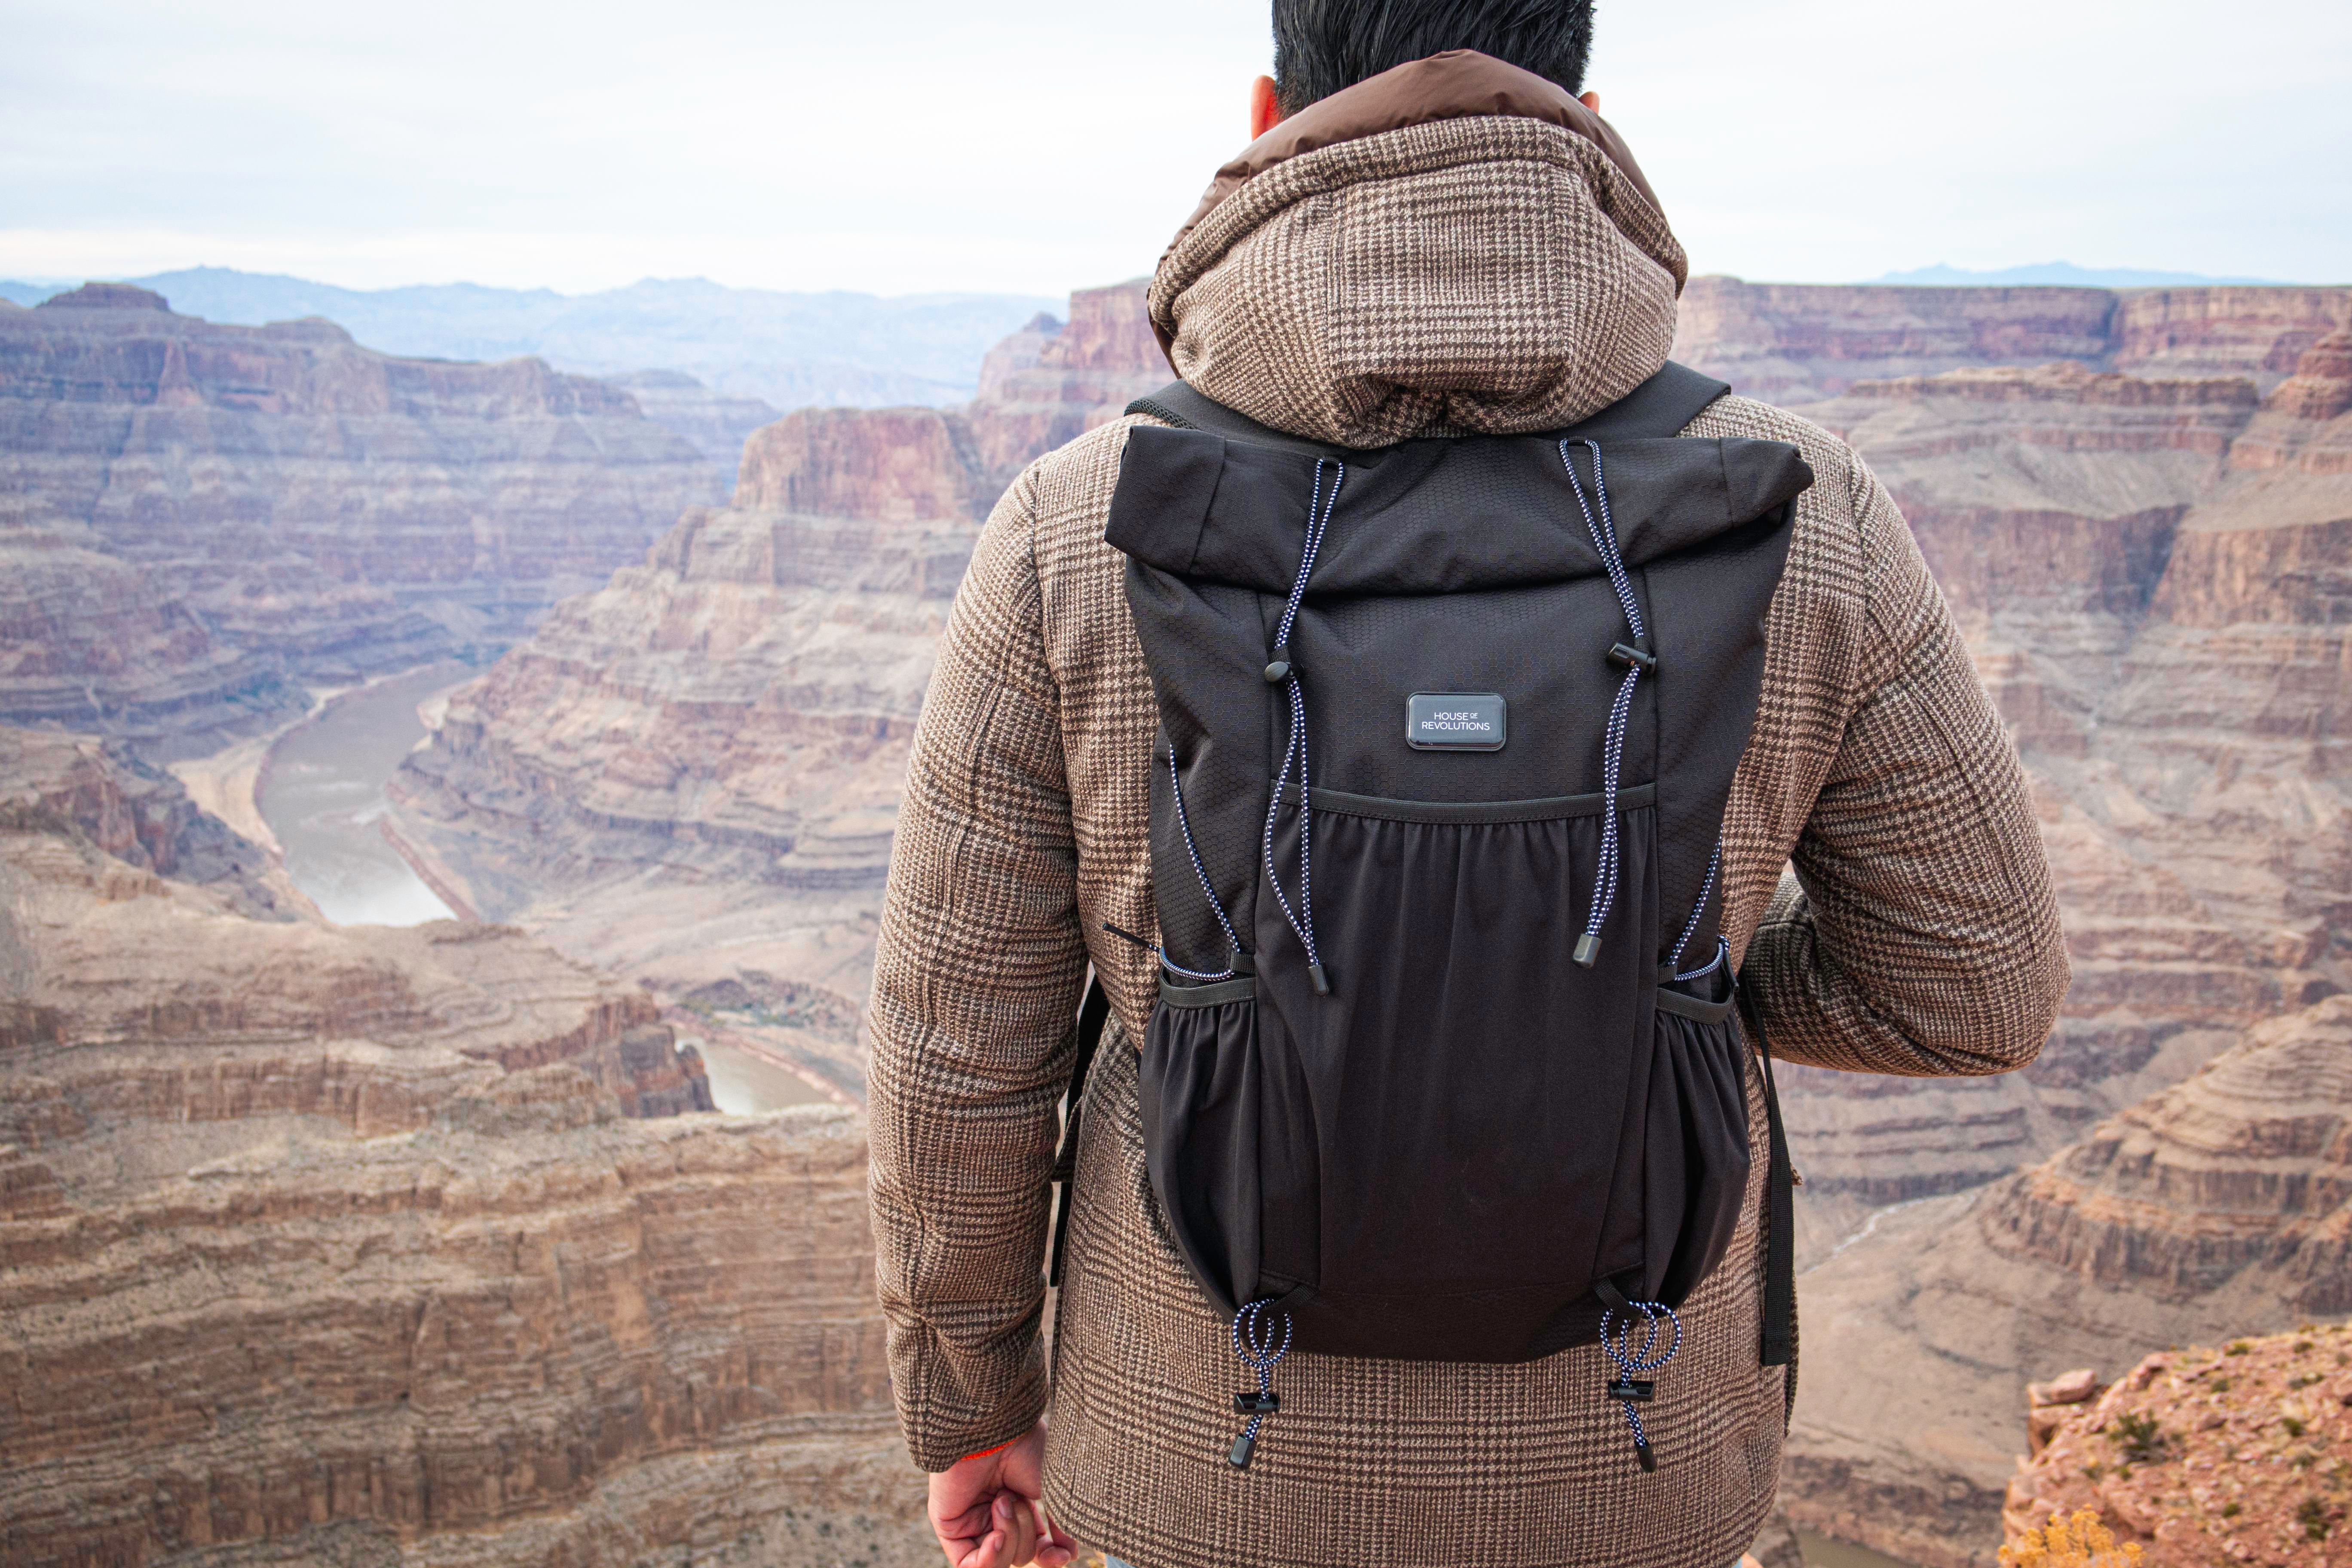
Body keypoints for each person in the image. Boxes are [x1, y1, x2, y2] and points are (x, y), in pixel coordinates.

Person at [865, 2, 2069, 1565]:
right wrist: (1657, 979)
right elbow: (1977, 989)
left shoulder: (1082, 522)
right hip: (1637, 1478)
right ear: (1580, 114)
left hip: (1200, 1466)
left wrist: (968, 1404)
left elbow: (960, 1050)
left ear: (1261, 113)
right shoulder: (1801, 509)